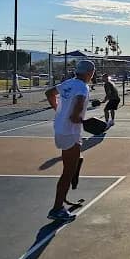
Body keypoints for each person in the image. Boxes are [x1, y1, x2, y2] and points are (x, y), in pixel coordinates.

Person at [44, 59, 95, 222]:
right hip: (70, 132)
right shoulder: (83, 88)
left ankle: (63, 197)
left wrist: (59, 111)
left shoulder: (69, 83)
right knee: (68, 172)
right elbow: (75, 114)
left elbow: (49, 93)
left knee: (74, 162)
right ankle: (57, 208)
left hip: (60, 129)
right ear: (89, 73)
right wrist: (77, 119)